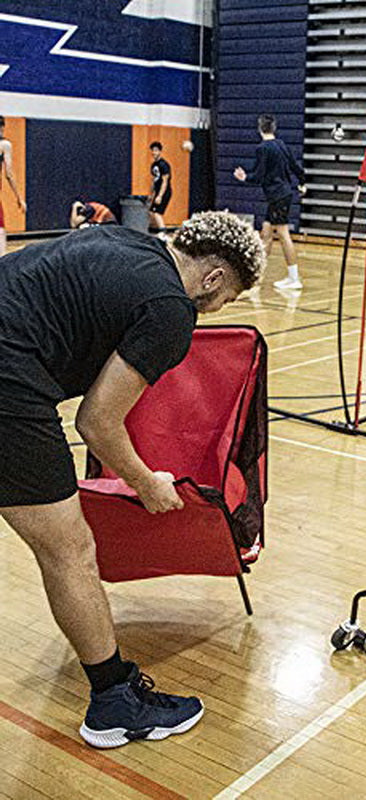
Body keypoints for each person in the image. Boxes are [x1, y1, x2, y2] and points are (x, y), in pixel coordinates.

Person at [0, 211, 265, 747]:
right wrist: (146, 482)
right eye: (228, 298)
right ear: (213, 277)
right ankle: (114, 703)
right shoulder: (171, 309)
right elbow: (96, 421)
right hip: (9, 385)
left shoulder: (123, 239)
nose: (219, 310)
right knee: (69, 550)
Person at [233, 113, 307, 290]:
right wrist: (302, 183)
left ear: (259, 128)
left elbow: (259, 176)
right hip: (282, 194)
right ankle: (256, 277)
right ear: (274, 128)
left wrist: (244, 178)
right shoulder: (281, 145)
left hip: (277, 196)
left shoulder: (263, 148)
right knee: (266, 233)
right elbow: (296, 167)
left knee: (283, 234)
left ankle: (294, 278)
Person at [0, 115, 27, 256]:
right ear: (2, 127)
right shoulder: (4, 145)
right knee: (0, 230)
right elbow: (9, 174)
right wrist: (19, 198)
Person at [148, 141, 172, 233]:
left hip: (165, 192)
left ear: (160, 151)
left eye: (156, 150)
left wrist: (160, 196)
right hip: (157, 192)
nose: (154, 153)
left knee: (157, 213)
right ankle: (153, 231)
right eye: (153, 151)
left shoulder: (164, 165)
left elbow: (165, 181)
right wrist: (152, 194)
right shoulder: (154, 165)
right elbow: (154, 181)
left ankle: (163, 233)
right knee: (151, 213)